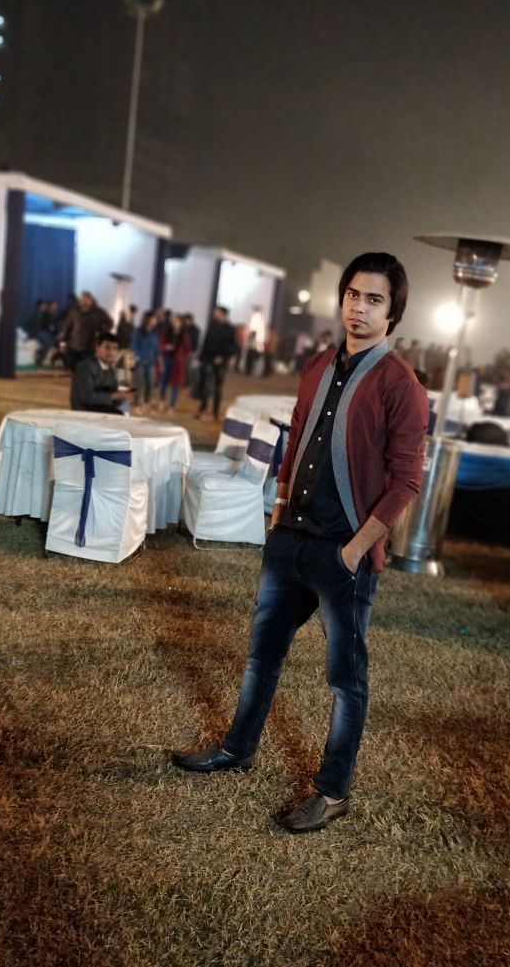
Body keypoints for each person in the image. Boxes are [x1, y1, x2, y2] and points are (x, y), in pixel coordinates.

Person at [173, 252, 429, 833]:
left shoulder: (402, 385)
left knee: (345, 681)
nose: (359, 308)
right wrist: (278, 511)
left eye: (374, 299)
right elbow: (294, 442)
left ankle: (333, 792)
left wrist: (355, 551)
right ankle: (237, 748)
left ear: (393, 312)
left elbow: (406, 481)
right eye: (353, 295)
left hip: (344, 552)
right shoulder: (317, 364)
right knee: (262, 656)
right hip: (290, 539)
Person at [195, 306, 238, 422]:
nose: (215, 314)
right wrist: (201, 358)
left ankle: (215, 412)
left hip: (221, 364)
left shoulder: (230, 329)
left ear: (223, 314)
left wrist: (223, 357)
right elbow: (205, 343)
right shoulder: (212, 326)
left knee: (218, 388)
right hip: (208, 360)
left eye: (217, 312)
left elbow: (233, 347)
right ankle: (203, 410)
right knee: (206, 386)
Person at [69, 331, 128, 413]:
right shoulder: (85, 367)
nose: (110, 352)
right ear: (97, 348)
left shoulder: (111, 371)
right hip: (85, 412)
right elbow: (87, 397)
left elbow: (113, 397)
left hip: (101, 411)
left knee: (122, 412)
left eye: (114, 349)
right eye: (107, 347)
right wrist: (113, 396)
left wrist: (121, 398)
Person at [59, 291, 113, 372]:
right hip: (74, 346)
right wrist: (63, 342)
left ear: (91, 301)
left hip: (90, 347)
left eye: (86, 300)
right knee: (72, 369)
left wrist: (102, 332)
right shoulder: (74, 311)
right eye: (82, 300)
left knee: (87, 369)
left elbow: (110, 322)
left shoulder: (98, 312)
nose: (84, 302)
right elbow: (67, 327)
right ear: (80, 301)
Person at [130, 310, 160, 414]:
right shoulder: (138, 331)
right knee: (139, 384)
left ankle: (146, 405)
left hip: (151, 363)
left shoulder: (155, 333)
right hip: (140, 362)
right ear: (147, 319)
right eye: (153, 319)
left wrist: (158, 358)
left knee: (150, 384)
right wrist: (135, 358)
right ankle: (136, 405)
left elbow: (156, 347)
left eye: (155, 319)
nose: (154, 321)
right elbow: (133, 346)